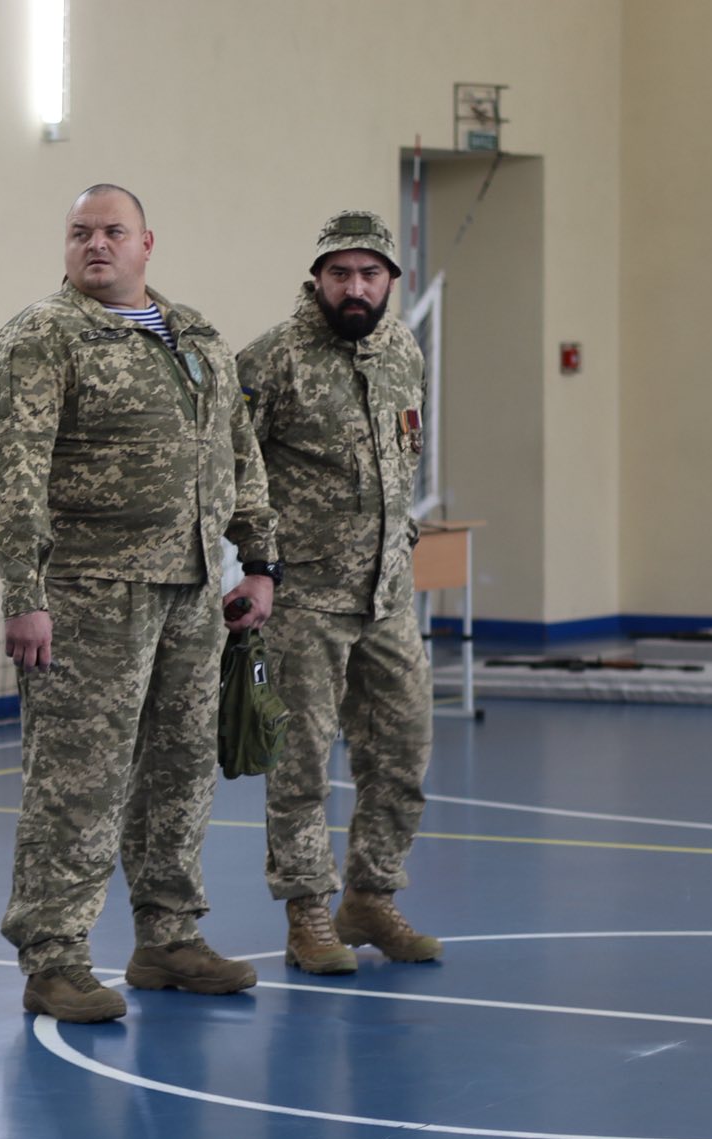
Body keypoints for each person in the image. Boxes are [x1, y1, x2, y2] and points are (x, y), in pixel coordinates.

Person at [0, 184, 280, 1023]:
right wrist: (24, 594)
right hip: (88, 595)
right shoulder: (41, 337)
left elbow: (240, 454)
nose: (96, 244)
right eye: (80, 232)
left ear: (148, 243)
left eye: (113, 231)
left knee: (180, 772)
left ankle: (168, 937)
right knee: (77, 781)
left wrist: (260, 562)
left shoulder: (198, 336)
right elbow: (14, 475)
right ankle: (54, 957)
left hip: (194, 589)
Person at [236, 210, 441, 975]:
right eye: (340, 274)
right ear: (318, 278)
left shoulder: (403, 352)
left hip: (387, 598)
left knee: (403, 752)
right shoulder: (272, 360)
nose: (355, 288)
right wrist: (258, 564)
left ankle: (371, 896)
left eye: (370, 274)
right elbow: (232, 470)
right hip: (304, 603)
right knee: (300, 767)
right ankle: (308, 914)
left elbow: (403, 460)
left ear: (391, 280)